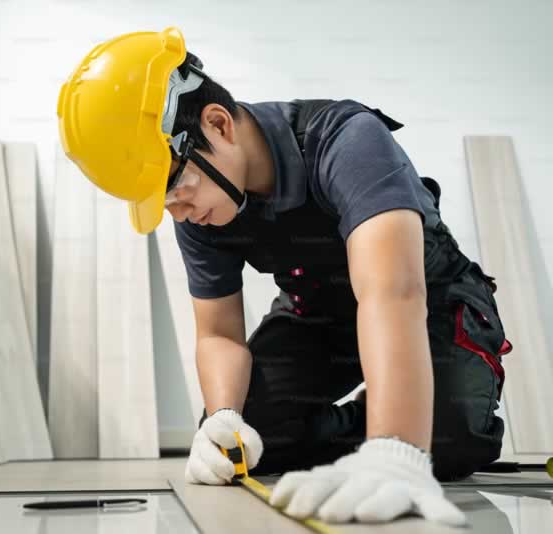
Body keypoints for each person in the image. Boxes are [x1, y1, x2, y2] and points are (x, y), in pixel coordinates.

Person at [57, 27, 512, 526]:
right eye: (163, 202)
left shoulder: (346, 139)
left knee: (446, 442)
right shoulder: (201, 206)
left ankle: (403, 420)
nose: (179, 211)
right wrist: (224, 417)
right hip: (319, 314)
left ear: (217, 124)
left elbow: (392, 293)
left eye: (176, 187)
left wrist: (397, 449)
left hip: (430, 303)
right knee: (247, 442)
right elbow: (219, 335)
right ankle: (372, 421)